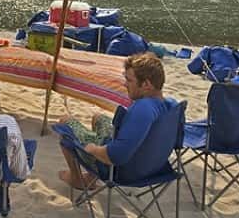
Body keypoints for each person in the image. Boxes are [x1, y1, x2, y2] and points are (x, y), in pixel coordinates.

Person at [58, 52, 176, 189]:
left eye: (129, 80)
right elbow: (177, 143)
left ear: (146, 84)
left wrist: (94, 149)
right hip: (153, 167)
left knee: (65, 122)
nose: (125, 84)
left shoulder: (143, 108)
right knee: (99, 118)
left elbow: (116, 156)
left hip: (122, 171)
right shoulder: (171, 106)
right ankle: (90, 177)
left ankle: (77, 178)